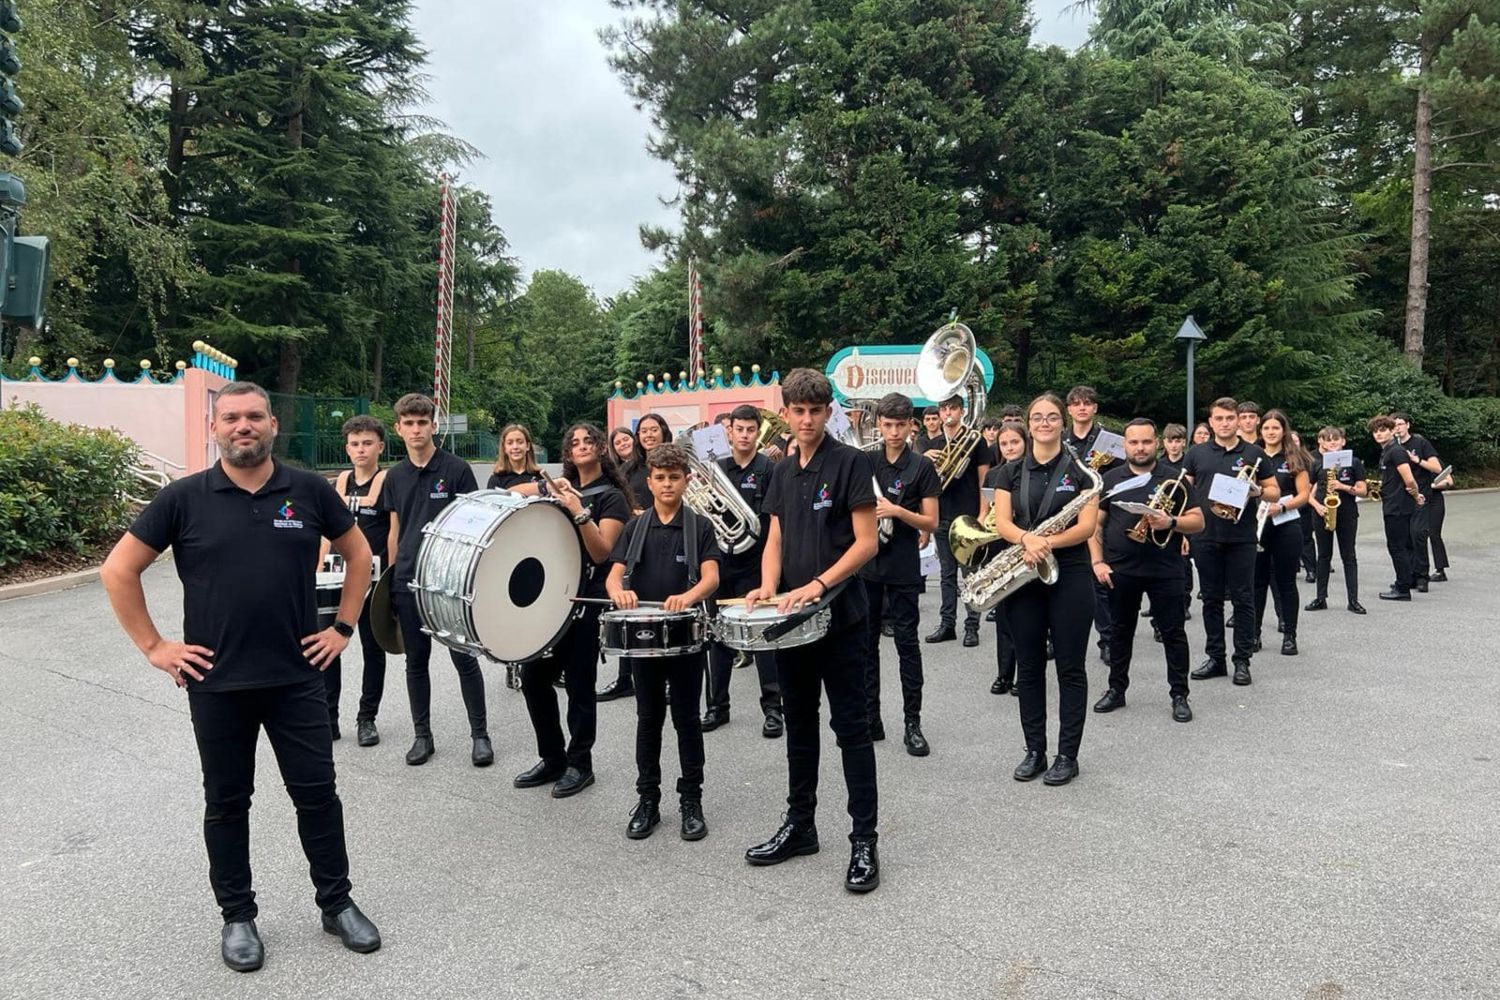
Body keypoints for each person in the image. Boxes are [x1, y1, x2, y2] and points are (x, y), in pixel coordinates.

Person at [100, 381, 381, 972]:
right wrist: (155, 647)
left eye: (254, 416)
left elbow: (359, 554)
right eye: (231, 418)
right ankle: (238, 917)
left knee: (317, 796)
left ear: (273, 424)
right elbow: (118, 570)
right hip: (217, 684)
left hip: (298, 677)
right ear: (214, 427)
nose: (242, 426)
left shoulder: (306, 489)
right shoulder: (182, 499)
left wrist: (343, 629)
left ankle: (336, 903)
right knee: (227, 802)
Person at [743, 368, 882, 894]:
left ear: (828, 413)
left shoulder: (850, 462)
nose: (806, 419)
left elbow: (867, 542)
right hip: (792, 620)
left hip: (841, 617)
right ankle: (801, 826)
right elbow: (775, 536)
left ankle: (864, 841)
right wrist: (767, 585)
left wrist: (818, 584)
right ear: (785, 413)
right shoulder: (780, 469)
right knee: (799, 727)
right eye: (797, 411)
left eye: (815, 411)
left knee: (851, 732)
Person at [605, 442, 722, 841]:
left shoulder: (699, 526)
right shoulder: (635, 527)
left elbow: (711, 577)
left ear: (686, 481)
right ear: (649, 483)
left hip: (685, 638)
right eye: (660, 478)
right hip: (644, 638)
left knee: (687, 719)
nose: (667, 484)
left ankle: (692, 799)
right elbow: (613, 574)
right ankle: (648, 800)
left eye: (675, 477)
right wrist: (618, 592)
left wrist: (688, 597)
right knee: (648, 719)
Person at [514, 422, 632, 798]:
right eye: (574, 442)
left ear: (601, 449)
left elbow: (601, 552)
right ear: (566, 453)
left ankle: (581, 764)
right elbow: (512, 491)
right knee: (533, 679)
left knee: (580, 686)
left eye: (589, 441)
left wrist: (579, 509)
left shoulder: (613, 497)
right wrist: (546, 488)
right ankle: (552, 759)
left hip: (587, 598)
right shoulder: (559, 488)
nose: (581, 446)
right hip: (551, 596)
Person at [988, 392, 1101, 785]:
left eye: (1052, 417)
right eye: (1037, 417)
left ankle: (1067, 754)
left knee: (1071, 668)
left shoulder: (1084, 473)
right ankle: (1034, 749)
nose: (1044, 423)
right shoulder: (1009, 471)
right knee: (1031, 666)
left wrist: (1047, 543)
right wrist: (1027, 540)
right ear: (1028, 423)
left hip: (1069, 573)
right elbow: (1002, 522)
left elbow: (1086, 527)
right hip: (1024, 573)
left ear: (1062, 422)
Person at [378, 392, 489, 767]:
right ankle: (422, 736)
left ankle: (480, 736)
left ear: (433, 425)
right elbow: (394, 532)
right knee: (416, 663)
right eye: (408, 423)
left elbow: (475, 526)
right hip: (407, 578)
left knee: (464, 658)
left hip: (449, 580)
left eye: (422, 422)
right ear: (398, 429)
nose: (415, 429)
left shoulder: (457, 469)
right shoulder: (393, 476)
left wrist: (470, 578)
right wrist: (391, 582)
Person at [1089, 418, 1203, 722]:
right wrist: (1098, 562)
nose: (1140, 448)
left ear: (1157, 443)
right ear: (1125, 445)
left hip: (1165, 568)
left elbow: (1198, 520)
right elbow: (1095, 526)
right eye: (1134, 442)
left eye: (1146, 442)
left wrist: (1171, 523)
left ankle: (1179, 694)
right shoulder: (1110, 479)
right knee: (1119, 632)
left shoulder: (1175, 478)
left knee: (1173, 633)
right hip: (1121, 568)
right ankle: (1117, 689)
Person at [861, 392, 941, 754]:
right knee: (866, 648)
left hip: (905, 565)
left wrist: (897, 511)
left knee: (907, 646)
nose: (893, 432)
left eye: (900, 425)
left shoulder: (921, 466)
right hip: (868, 566)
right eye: (887, 424)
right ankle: (871, 717)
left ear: (912, 426)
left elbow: (932, 521)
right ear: (879, 424)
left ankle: (913, 722)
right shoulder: (866, 461)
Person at [1183, 398, 1280, 686]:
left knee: (1243, 599)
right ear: (1211, 422)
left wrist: (1256, 492)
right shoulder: (1196, 453)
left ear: (1238, 421)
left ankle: (1242, 660)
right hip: (1205, 535)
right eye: (1219, 419)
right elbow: (1184, 490)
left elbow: (1274, 490)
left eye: (1229, 418)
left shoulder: (1254, 452)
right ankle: (1216, 658)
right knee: (1211, 599)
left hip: (1241, 537)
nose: (1224, 423)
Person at [703, 404, 785, 738]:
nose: (745, 435)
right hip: (722, 564)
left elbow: (774, 522)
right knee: (718, 637)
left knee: (763, 637)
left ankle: (773, 709)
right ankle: (717, 707)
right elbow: (706, 511)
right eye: (739, 429)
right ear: (729, 431)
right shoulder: (716, 469)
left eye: (752, 430)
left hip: (756, 562)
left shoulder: (770, 468)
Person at [322, 415, 390, 747]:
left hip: (375, 577)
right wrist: (318, 566)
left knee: (372, 649)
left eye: (367, 443)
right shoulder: (338, 481)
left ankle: (367, 718)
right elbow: (325, 529)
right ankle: (329, 716)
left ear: (380, 446)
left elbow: (393, 530)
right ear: (346, 448)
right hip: (337, 575)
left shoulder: (387, 481)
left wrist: (392, 575)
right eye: (354, 443)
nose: (360, 449)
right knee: (328, 647)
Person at [601, 413, 672, 702]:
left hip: (669, 540)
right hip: (635, 540)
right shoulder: (629, 468)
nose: (649, 435)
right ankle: (624, 678)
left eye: (654, 429)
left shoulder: (676, 461)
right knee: (628, 608)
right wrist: (634, 515)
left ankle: (668, 678)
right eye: (643, 431)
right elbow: (620, 503)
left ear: (663, 432)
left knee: (666, 608)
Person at [923, 393, 992, 647]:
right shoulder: (931, 445)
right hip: (941, 516)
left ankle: (972, 625)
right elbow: (925, 487)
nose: (948, 412)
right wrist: (925, 461)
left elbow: (985, 480)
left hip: (967, 516)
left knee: (971, 574)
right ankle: (947, 624)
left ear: (961, 411)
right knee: (946, 575)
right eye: (944, 408)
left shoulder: (975, 441)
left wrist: (982, 514)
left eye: (953, 407)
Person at [1063, 386, 1118, 667]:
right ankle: (1055, 636)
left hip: (1100, 516)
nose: (1082, 408)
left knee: (1099, 580)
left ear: (1095, 408)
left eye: (1087, 403)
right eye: (1076, 404)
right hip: (1063, 516)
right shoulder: (1060, 440)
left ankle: (1107, 639)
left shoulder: (1110, 441)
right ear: (1069, 409)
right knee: (1058, 578)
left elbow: (1123, 475)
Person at [1251, 410, 1311, 656]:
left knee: (1286, 582)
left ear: (1283, 430)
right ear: (1260, 430)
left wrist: (1283, 506)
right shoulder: (1252, 455)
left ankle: (1290, 636)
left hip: (1287, 525)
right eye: (1266, 428)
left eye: (1275, 428)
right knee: (1256, 583)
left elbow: (1304, 495)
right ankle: (1253, 635)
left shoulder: (1295, 458)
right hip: (1258, 526)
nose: (1271, 432)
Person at [985, 421, 1028, 696]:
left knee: (1026, 617)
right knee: (1004, 615)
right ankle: (1003, 674)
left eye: (1015, 442)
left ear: (1026, 442)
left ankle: (1025, 675)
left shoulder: (1032, 472)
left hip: (1025, 546)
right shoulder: (993, 475)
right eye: (1004, 443)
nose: (1010, 448)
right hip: (1000, 547)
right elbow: (984, 511)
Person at [1306, 426, 1367, 615]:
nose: (1332, 442)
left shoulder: (1354, 462)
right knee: (1323, 556)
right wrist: (1318, 507)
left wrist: (1342, 486)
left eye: (1336, 439)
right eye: (1328, 439)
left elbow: (1363, 490)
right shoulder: (1316, 463)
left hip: (1347, 513)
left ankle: (1353, 600)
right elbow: (1307, 493)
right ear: (1322, 443)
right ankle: (1320, 598)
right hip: (1322, 512)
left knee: (1349, 556)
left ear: (1343, 441)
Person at [1370, 415, 1425, 601]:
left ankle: (1403, 589)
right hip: (1393, 504)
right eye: (1375, 431)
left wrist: (1417, 495)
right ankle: (1404, 580)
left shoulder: (1396, 451)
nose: (1379, 434)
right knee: (1400, 545)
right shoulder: (1387, 451)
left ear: (1392, 430)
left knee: (1396, 546)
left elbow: (1409, 479)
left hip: (1398, 506)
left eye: (1383, 430)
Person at [1393, 413, 1444, 589]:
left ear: (1408, 425)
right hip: (1401, 498)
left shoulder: (1420, 443)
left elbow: (1437, 468)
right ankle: (1409, 577)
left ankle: (1423, 577)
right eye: (1394, 425)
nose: (1397, 428)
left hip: (1421, 495)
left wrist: (1417, 460)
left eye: (1400, 424)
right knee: (1404, 539)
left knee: (1419, 535)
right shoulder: (1391, 446)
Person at [1159, 423, 1194, 619]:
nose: (1174, 445)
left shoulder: (1188, 466)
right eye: (1170, 440)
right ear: (1164, 442)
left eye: (1178, 441)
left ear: (1183, 443)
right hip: (1161, 517)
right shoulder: (1158, 464)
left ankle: (1184, 601)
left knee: (1184, 564)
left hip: (1182, 517)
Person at [487, 423, 546, 492]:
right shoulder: (496, 480)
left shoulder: (540, 477)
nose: (515, 447)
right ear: (504, 448)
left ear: (527, 446)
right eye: (510, 443)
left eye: (520, 442)